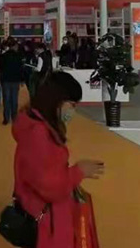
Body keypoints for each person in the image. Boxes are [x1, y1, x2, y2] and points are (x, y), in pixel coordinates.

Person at [12, 72, 105, 248]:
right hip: (48, 225)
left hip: (45, 218)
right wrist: (78, 171)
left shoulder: (37, 126)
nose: (73, 111)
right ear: (57, 101)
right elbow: (49, 187)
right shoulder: (39, 134)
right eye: (72, 105)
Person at [0, 39, 24, 125]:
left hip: (5, 80)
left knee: (6, 100)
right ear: (15, 46)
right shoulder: (18, 56)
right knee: (14, 100)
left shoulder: (3, 56)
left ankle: (6, 118)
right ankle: (14, 118)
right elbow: (21, 69)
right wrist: (22, 80)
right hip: (15, 80)